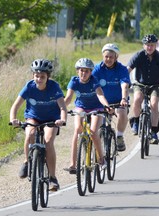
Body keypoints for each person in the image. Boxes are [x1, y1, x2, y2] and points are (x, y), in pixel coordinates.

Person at [10, 59, 67, 191]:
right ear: (33, 76)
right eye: (37, 76)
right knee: (30, 133)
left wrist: (62, 120)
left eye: (42, 77)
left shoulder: (54, 87)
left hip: (51, 119)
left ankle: (52, 177)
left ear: (48, 77)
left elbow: (63, 107)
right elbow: (15, 106)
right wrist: (13, 118)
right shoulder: (29, 86)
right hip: (33, 117)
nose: (39, 79)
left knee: (48, 141)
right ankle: (27, 162)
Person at [64, 58, 113, 174]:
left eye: (87, 71)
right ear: (77, 71)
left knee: (93, 131)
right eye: (81, 70)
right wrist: (60, 108)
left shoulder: (94, 81)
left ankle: (101, 160)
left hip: (96, 108)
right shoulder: (74, 81)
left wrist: (106, 106)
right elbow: (68, 98)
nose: (84, 73)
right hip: (81, 107)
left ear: (91, 72)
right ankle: (73, 164)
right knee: (77, 129)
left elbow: (100, 95)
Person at [127, 34, 159, 144]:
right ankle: (136, 122)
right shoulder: (138, 55)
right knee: (137, 99)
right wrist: (125, 81)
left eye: (152, 45)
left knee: (154, 104)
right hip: (140, 84)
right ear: (143, 45)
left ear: (155, 45)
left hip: (155, 85)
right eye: (147, 45)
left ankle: (154, 132)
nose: (149, 47)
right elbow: (128, 69)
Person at [92, 43, 130, 151]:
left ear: (116, 57)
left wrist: (123, 99)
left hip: (118, 101)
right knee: (98, 126)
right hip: (102, 102)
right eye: (106, 57)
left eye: (111, 57)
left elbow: (125, 85)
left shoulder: (122, 69)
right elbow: (92, 85)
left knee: (122, 113)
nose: (108, 59)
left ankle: (119, 136)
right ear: (103, 56)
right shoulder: (97, 69)